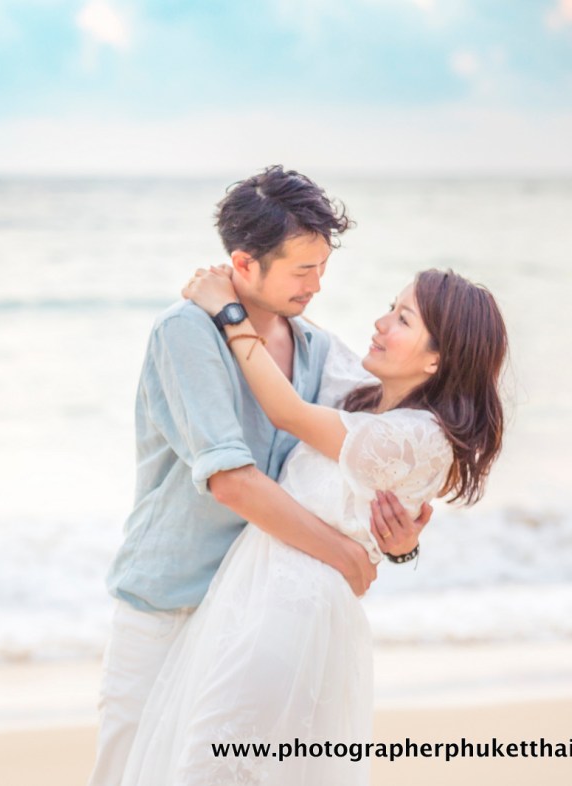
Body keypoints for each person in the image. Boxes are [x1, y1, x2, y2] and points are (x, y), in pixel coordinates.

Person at [88, 166, 431, 786]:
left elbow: (375, 447)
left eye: (322, 267)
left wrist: (400, 539)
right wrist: (343, 556)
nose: (317, 285)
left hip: (253, 615)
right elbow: (232, 481)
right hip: (172, 603)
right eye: (303, 270)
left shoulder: (317, 350)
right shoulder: (185, 332)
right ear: (244, 264)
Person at [120, 267, 508, 785]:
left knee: (212, 767)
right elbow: (304, 337)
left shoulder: (418, 438)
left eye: (403, 319)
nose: (381, 323)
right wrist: (247, 288)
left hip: (291, 613)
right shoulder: (367, 395)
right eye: (390, 307)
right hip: (249, 594)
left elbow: (286, 411)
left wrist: (228, 313)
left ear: (437, 359)